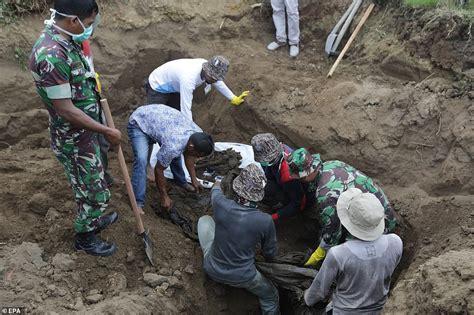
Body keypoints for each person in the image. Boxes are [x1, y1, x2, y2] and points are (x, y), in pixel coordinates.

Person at [29, 0, 121, 256]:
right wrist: (106, 131)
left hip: (84, 132)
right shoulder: (51, 55)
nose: (89, 29)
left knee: (90, 183)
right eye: (88, 23)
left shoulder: (65, 40)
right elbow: (65, 109)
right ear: (72, 20)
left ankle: (92, 219)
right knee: (95, 191)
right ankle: (85, 237)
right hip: (72, 138)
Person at [286, 148, 397, 267]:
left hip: (376, 225)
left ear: (306, 174)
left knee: (346, 252)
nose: (300, 180)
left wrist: (321, 251)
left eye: (300, 178)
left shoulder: (325, 195)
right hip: (383, 209)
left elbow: (333, 231)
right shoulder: (333, 163)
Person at [304, 188, 403, 314]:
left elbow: (319, 291)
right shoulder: (395, 242)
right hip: (380, 309)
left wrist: (307, 298)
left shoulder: (338, 254)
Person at [197, 164, 280, 315]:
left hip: (212, 268)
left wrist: (218, 181)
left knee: (205, 220)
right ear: (259, 194)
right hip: (244, 276)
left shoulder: (220, 204)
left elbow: (216, 190)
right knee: (271, 296)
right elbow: (270, 251)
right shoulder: (265, 220)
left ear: (237, 188)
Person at [128, 104, 214, 212]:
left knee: (175, 155)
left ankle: (181, 182)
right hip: (140, 122)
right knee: (141, 161)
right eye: (198, 155)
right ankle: (137, 202)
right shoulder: (173, 147)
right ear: (191, 147)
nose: (197, 158)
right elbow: (159, 170)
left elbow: (189, 155)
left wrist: (194, 179)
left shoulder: (197, 134)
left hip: (158, 120)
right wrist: (164, 196)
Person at [144, 56, 250, 121]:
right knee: (153, 117)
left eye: (216, 78)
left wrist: (233, 98)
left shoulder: (208, 69)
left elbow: (219, 83)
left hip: (175, 87)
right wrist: (190, 131)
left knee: (175, 116)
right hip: (158, 85)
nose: (213, 80)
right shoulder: (189, 78)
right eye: (211, 77)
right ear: (205, 70)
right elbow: (185, 107)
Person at [251, 133, 316, 221]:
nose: (263, 162)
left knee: (265, 189)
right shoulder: (279, 148)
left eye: (265, 160)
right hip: (284, 183)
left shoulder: (288, 174)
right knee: (261, 185)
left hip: (300, 197)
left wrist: (274, 217)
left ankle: (287, 212)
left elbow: (298, 203)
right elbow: (268, 174)